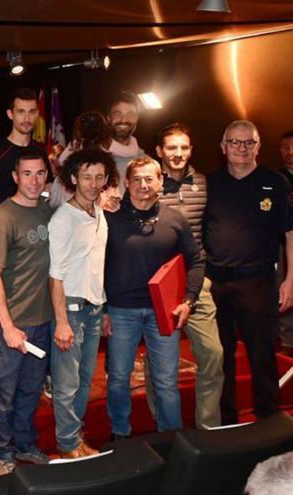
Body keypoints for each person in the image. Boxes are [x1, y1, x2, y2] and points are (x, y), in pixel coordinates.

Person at [104, 157, 204, 440]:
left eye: (150, 179)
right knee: (119, 379)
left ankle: (171, 439)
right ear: (126, 183)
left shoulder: (175, 219)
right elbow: (95, 265)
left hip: (164, 312)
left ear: (161, 181)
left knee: (166, 383)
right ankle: (119, 435)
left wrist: (189, 300)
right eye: (136, 179)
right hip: (121, 310)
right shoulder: (109, 217)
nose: (143, 185)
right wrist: (101, 309)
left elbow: (195, 260)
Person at [203, 120, 293, 424]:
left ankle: (269, 422)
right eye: (235, 142)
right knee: (220, 357)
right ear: (223, 146)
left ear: (257, 146)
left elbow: (291, 235)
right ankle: (227, 422)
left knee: (262, 356)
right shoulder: (209, 183)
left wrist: (291, 280)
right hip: (216, 281)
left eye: (248, 143)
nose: (241, 149)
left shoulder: (277, 183)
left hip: (259, 281)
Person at [148, 122, 224, 430]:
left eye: (183, 147)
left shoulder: (204, 183)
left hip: (195, 280)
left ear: (191, 150)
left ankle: (208, 428)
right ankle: (163, 428)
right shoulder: (149, 184)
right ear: (159, 152)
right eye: (171, 148)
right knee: (160, 365)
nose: (178, 153)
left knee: (213, 355)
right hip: (159, 283)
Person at [0, 153, 54, 475]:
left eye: (40, 173)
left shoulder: (46, 209)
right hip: (10, 327)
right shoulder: (4, 216)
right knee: (4, 393)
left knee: (30, 391)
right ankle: (3, 452)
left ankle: (25, 444)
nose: (34, 180)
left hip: (42, 322)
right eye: (27, 174)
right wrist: (8, 327)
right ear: (15, 176)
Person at [48, 148, 117, 458]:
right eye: (86, 176)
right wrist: (61, 322)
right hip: (71, 310)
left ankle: (76, 437)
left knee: (85, 381)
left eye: (99, 177)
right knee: (66, 385)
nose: (92, 183)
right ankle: (67, 444)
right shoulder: (64, 218)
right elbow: (56, 276)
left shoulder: (99, 213)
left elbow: (97, 265)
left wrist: (102, 307)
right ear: (73, 178)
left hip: (94, 308)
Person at [0, 88, 49, 205]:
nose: (27, 119)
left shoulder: (40, 151)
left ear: (37, 114)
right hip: (5, 221)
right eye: (21, 111)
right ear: (10, 114)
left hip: (37, 220)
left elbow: (47, 190)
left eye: (31, 112)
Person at [105, 92, 146, 196]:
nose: (124, 120)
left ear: (137, 119)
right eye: (118, 114)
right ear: (108, 119)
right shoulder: (88, 156)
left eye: (130, 115)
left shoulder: (147, 162)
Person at [278, 130, 293, 357]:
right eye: (285, 148)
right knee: (286, 295)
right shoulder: (274, 180)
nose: (290, 153)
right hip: (284, 245)